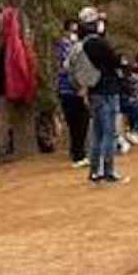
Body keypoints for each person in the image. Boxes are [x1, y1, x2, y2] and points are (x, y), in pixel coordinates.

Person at [78, 8, 128, 185]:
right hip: (107, 90)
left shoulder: (83, 43)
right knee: (109, 132)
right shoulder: (98, 43)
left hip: (94, 91)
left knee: (97, 134)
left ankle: (94, 172)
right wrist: (121, 61)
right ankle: (108, 170)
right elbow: (113, 60)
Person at [55, 19, 90, 170]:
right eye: (72, 31)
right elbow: (68, 67)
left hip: (79, 89)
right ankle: (78, 154)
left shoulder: (81, 47)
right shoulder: (64, 46)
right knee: (75, 122)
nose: (74, 34)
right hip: (67, 89)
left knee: (83, 121)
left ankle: (79, 152)